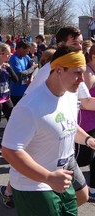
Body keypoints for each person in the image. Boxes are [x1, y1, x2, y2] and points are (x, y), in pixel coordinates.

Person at [2, 46, 95, 215]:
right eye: (76, 73)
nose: (82, 79)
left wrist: (88, 140)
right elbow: (10, 150)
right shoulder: (29, 106)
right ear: (58, 70)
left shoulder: (69, 96)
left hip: (62, 179)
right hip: (33, 186)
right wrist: (48, 178)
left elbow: (68, 127)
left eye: (83, 72)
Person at [76, 44, 95, 201]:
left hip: (93, 120)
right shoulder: (88, 73)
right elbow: (84, 102)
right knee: (83, 159)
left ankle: (92, 188)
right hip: (87, 122)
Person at [9, 40, 38, 105]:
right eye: (27, 51)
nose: (28, 53)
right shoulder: (14, 58)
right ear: (21, 49)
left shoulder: (26, 57)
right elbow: (20, 74)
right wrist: (32, 68)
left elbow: (36, 67)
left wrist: (31, 77)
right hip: (17, 92)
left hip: (26, 91)